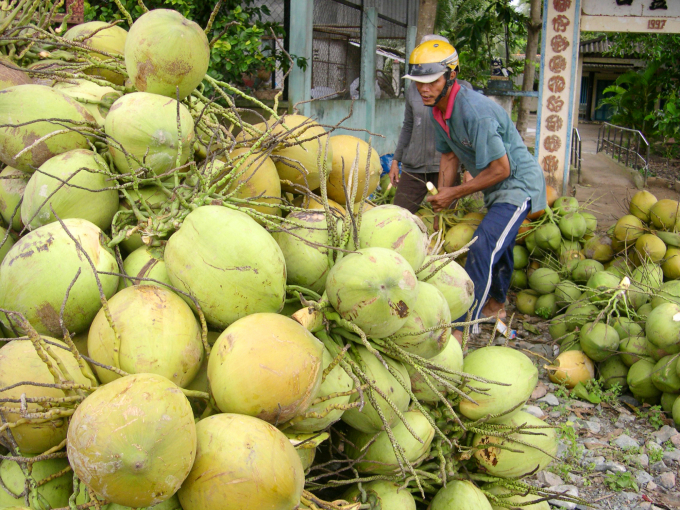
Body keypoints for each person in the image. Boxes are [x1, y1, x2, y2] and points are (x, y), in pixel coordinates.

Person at [403, 39, 547, 342]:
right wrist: (442, 196)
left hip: (517, 186)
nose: (424, 90)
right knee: (499, 244)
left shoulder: (474, 112)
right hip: (497, 188)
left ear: (451, 76)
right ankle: (497, 306)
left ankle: (461, 328)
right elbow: (449, 155)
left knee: (483, 246)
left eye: (431, 82)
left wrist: (454, 193)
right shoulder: (438, 110)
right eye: (419, 83)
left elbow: (502, 170)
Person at [389, 35, 472, 213]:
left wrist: (469, 167)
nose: (425, 88)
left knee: (446, 220)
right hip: (414, 167)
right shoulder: (414, 89)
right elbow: (408, 125)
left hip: (446, 167)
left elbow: (468, 133)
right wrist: (396, 160)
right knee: (397, 215)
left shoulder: (462, 92)